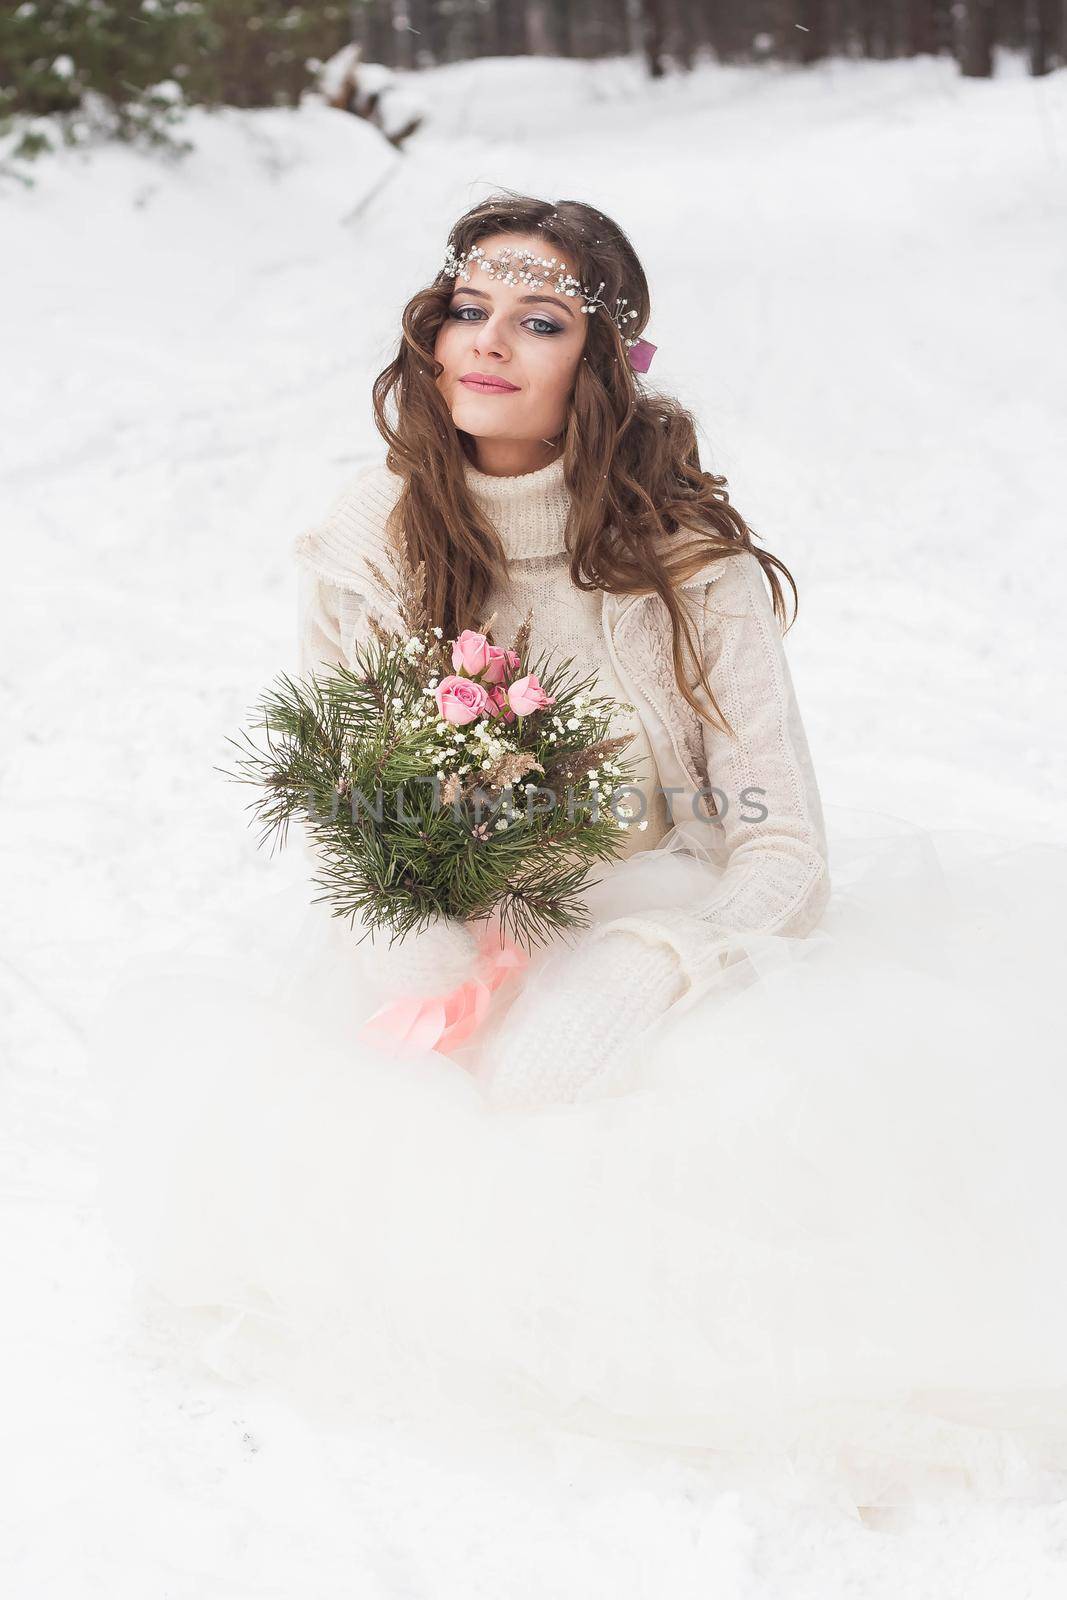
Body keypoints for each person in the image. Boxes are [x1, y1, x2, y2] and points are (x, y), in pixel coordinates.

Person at [88, 194, 1067, 1509]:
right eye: (467, 310)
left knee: (723, 1118)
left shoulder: (687, 561)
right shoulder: (368, 538)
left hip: (680, 925)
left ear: (597, 369)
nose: (488, 344)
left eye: (539, 320)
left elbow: (787, 851)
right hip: (465, 920)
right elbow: (365, 810)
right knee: (400, 1135)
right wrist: (434, 944)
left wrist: (656, 965)